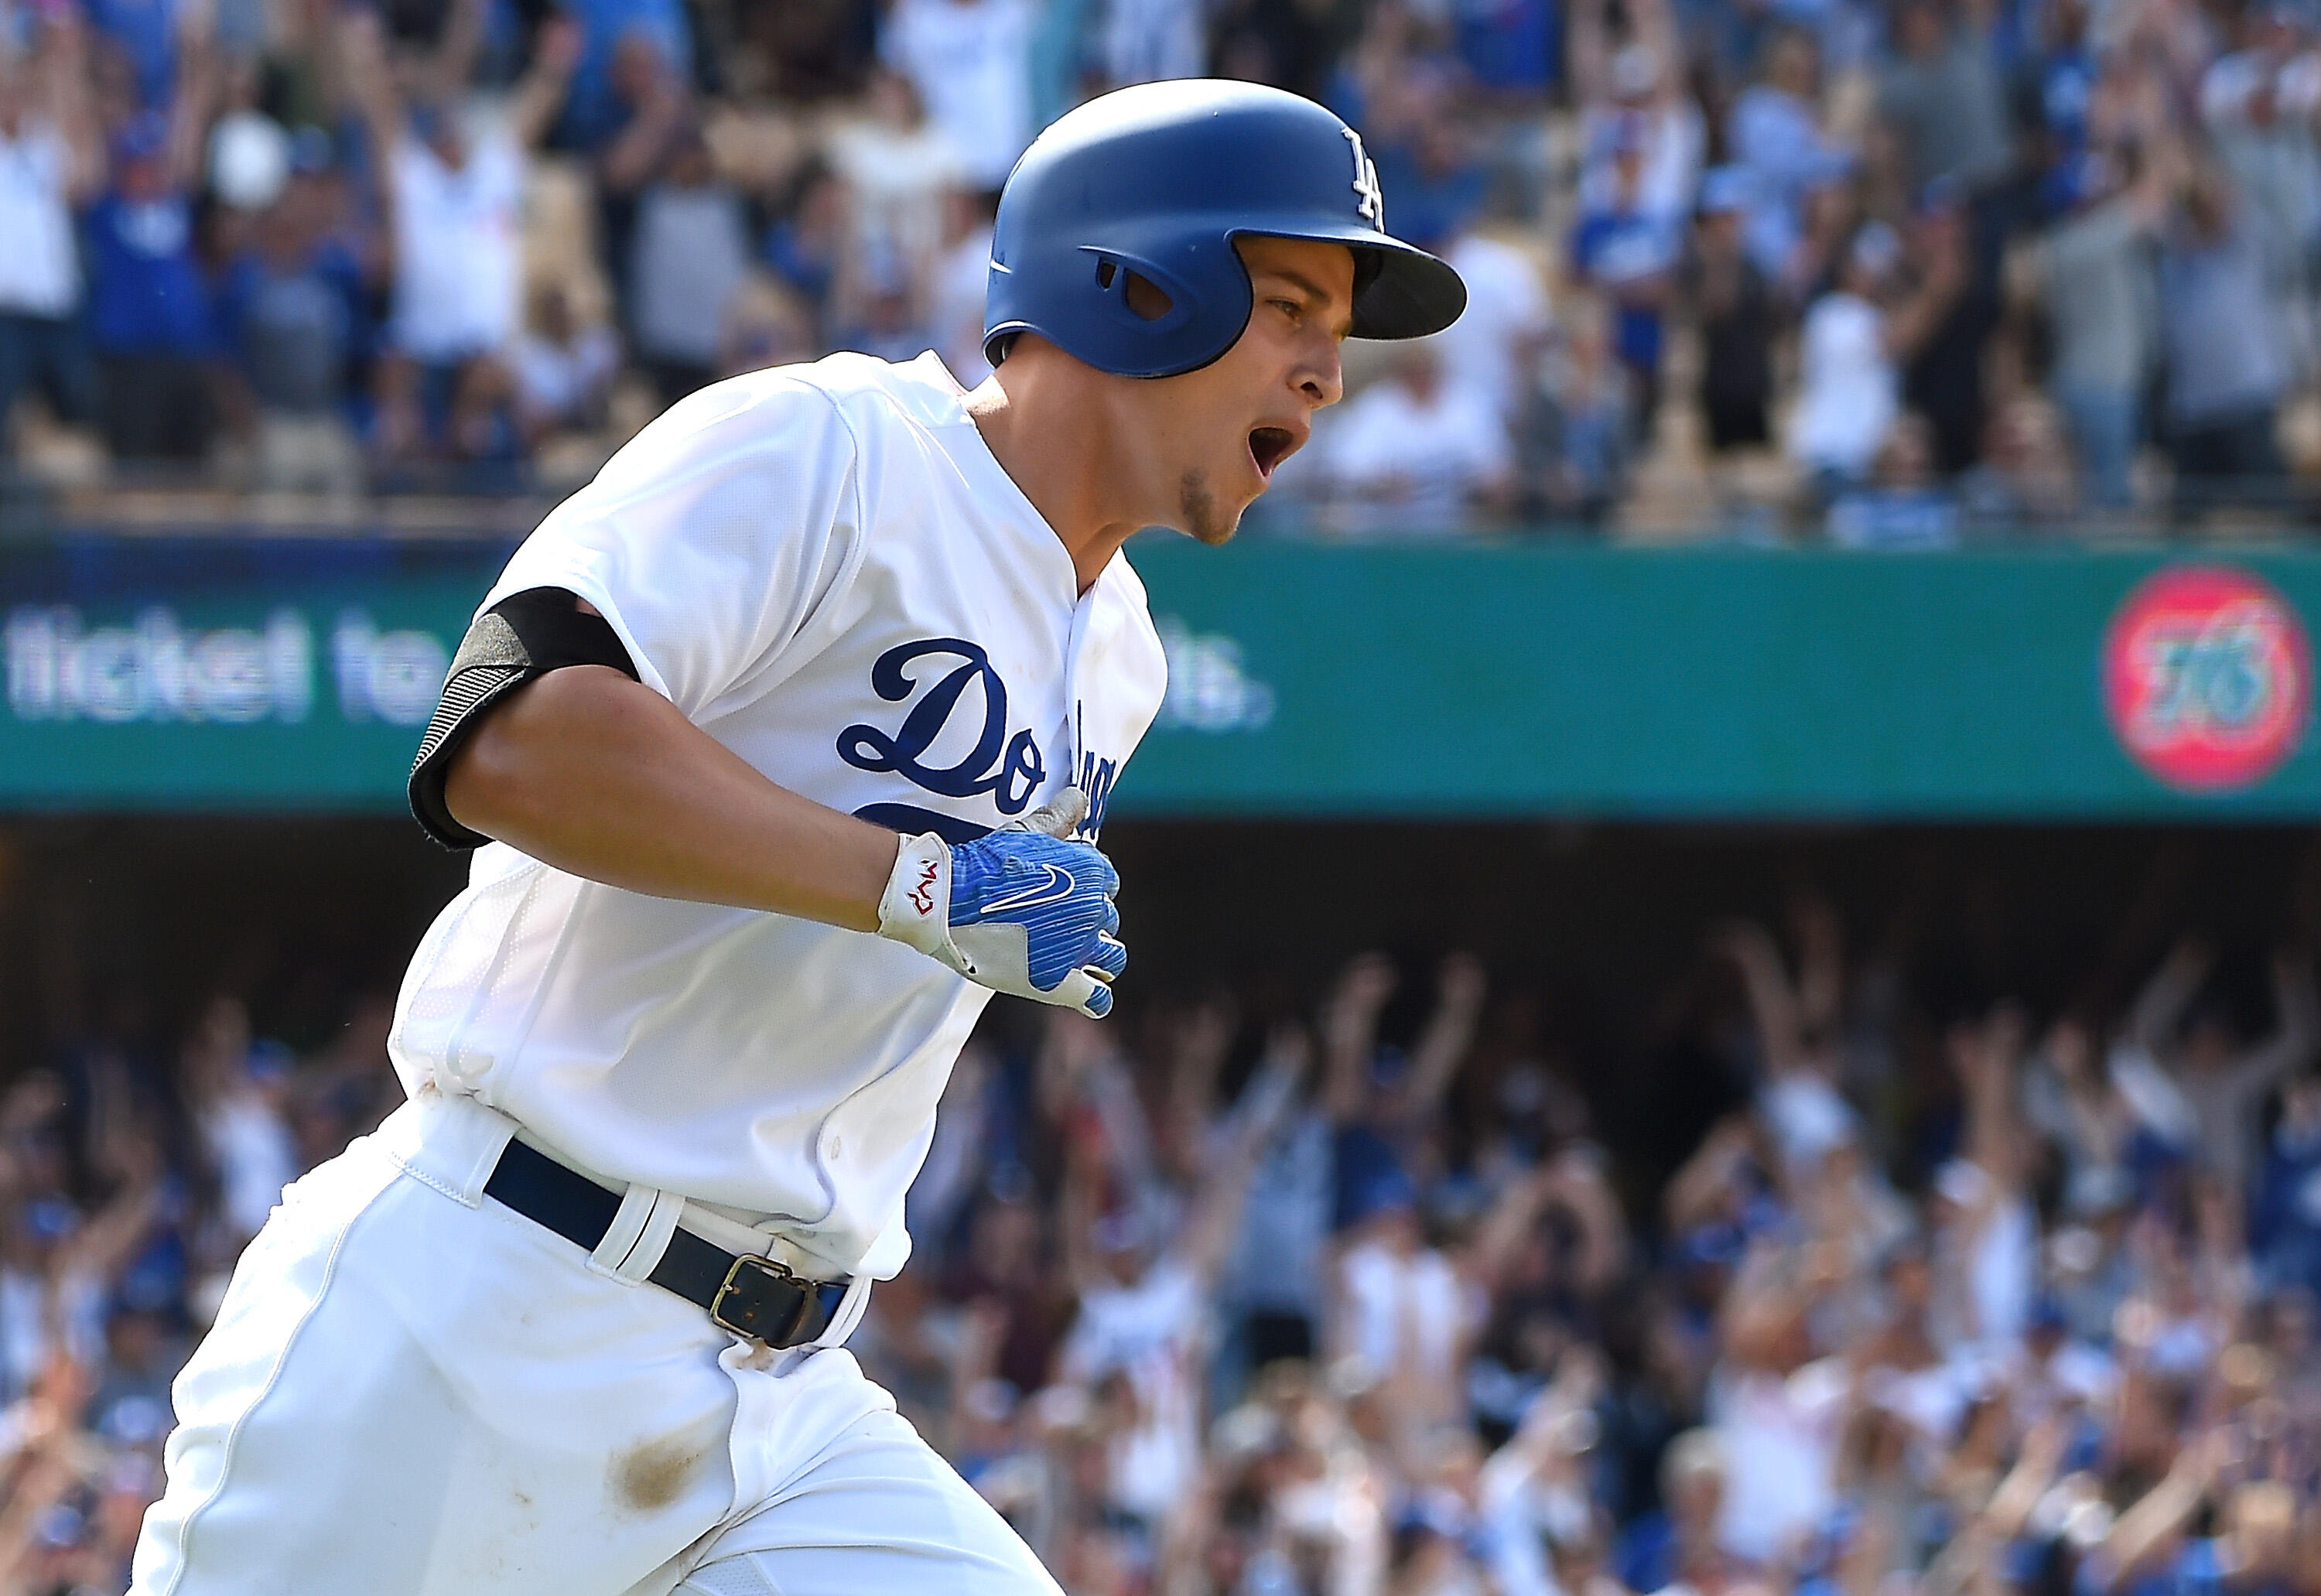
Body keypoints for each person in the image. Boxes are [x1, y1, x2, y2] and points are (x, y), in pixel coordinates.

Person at [128, 79, 1464, 1595]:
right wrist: (914, 880)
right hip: (483, 1309)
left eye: (1337, 331)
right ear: (1138, 280)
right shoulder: (832, 448)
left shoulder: (1126, 656)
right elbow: (510, 730)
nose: (1327, 372)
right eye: (1293, 305)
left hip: (781, 1400)